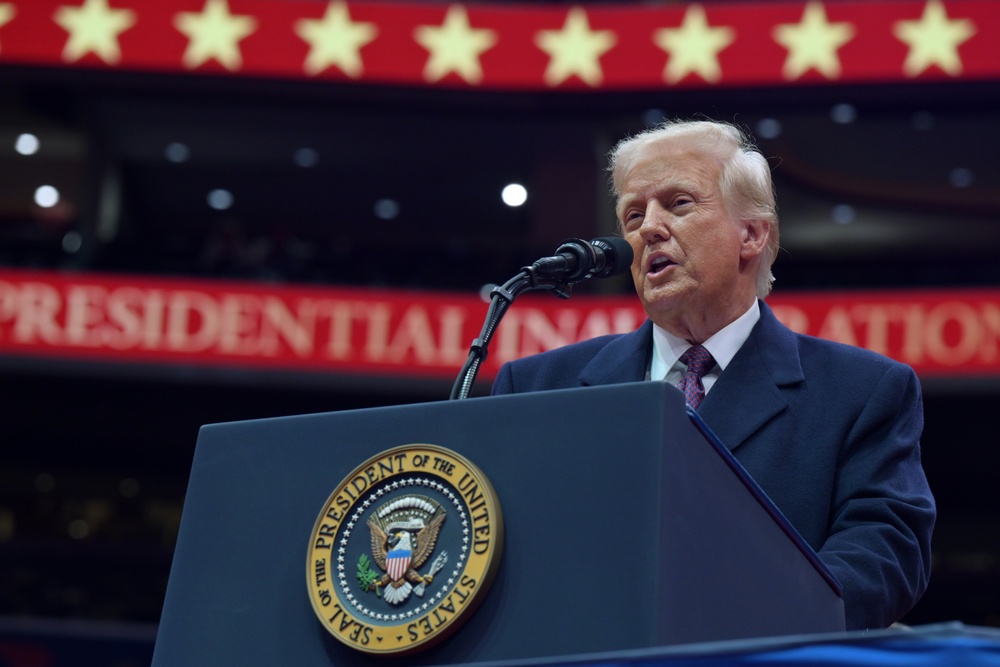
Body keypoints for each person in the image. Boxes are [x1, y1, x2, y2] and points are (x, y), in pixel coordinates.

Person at [491, 119, 935, 631]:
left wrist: (748, 618)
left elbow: (884, 551)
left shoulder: (861, 392)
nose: (647, 229)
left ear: (751, 233)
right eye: (632, 214)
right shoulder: (538, 388)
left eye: (678, 203)